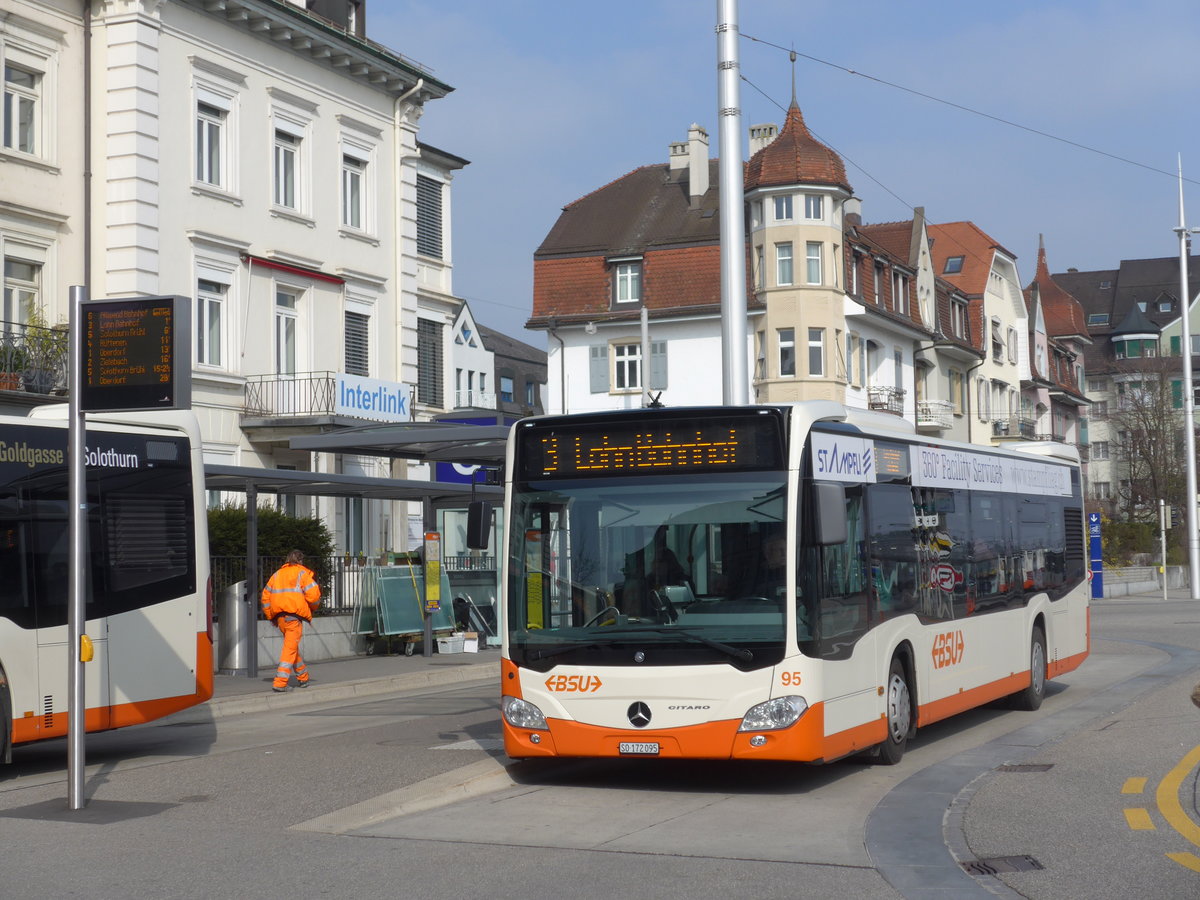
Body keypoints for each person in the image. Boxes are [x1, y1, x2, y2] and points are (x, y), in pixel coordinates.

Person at [260, 550, 321, 692]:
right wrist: (312, 608)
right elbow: (314, 597)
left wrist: (271, 616)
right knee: (289, 649)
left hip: (280, 619)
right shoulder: (302, 574)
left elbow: (265, 597)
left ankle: (303, 677)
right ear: (300, 561)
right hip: (294, 618)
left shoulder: (276, 575)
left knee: (292, 648)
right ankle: (280, 682)